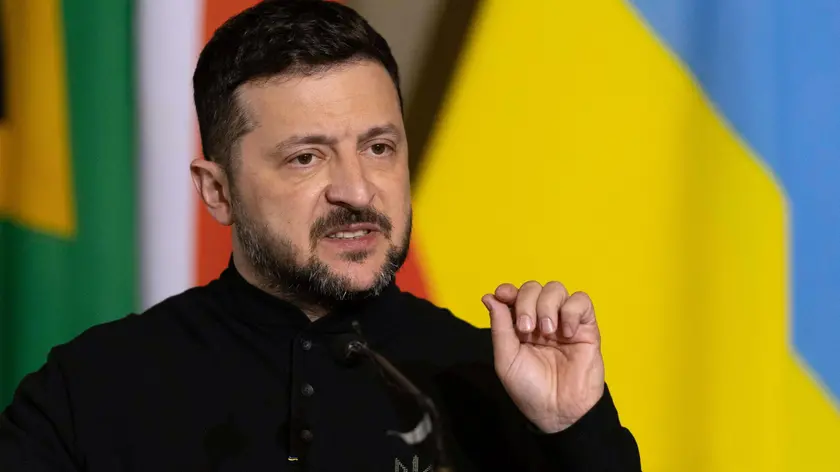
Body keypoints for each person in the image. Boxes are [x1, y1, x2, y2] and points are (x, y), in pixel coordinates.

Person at [0, 1, 641, 470]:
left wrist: (573, 432)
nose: (357, 191)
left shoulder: (495, 382)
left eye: (379, 148)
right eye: (307, 158)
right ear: (217, 191)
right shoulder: (89, 390)